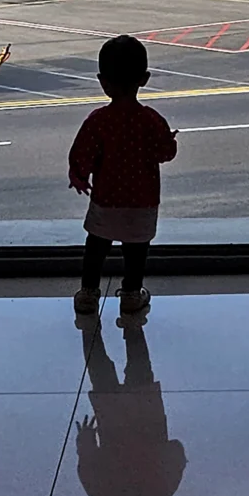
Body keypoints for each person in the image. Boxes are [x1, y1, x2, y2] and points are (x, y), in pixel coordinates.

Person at [69, 35, 179, 318]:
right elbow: (164, 153)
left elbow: (83, 152)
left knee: (96, 247)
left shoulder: (98, 120)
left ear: (102, 81)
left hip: (107, 198)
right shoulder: (151, 119)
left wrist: (79, 175)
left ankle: (88, 294)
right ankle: (131, 295)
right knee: (136, 249)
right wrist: (171, 142)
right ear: (144, 78)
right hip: (142, 200)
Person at [77, 319, 187, 496]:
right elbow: (88, 462)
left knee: (138, 362)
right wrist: (86, 439)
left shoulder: (160, 495)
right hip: (111, 416)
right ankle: (89, 321)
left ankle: (132, 320)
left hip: (146, 414)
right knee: (99, 366)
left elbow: (175, 451)